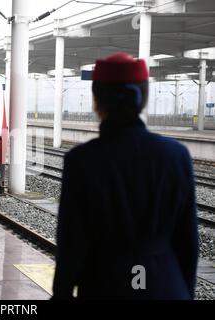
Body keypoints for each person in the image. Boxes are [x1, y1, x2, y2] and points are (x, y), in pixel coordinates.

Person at [52, 52, 199, 300]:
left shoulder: (81, 161)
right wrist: (185, 291)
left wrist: (62, 293)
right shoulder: (177, 156)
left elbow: (72, 242)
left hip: (104, 286)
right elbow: (188, 242)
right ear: (143, 99)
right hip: (166, 286)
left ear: (97, 100)